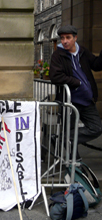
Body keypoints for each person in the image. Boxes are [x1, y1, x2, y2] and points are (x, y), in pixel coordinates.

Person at [50, 25, 102, 157]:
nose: (65, 41)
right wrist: (77, 82)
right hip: (70, 101)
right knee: (70, 130)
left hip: (87, 100)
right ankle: (75, 164)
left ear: (75, 38)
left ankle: (61, 139)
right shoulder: (58, 55)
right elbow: (55, 76)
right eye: (62, 38)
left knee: (96, 128)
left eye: (68, 37)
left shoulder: (82, 52)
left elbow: (96, 65)